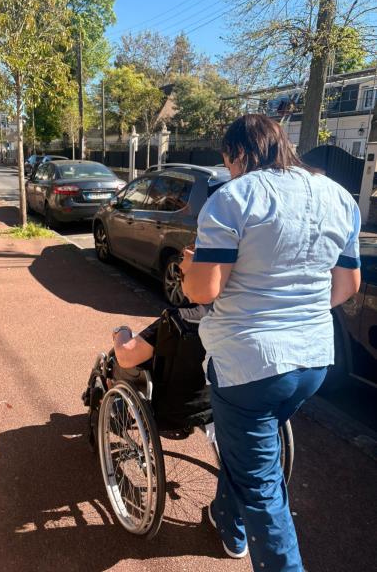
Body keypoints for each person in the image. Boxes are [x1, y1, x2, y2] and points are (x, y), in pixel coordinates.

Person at [179, 114, 361, 572]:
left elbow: (204, 291)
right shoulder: (338, 196)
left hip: (248, 364)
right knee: (249, 452)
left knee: (262, 488)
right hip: (313, 360)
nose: (229, 169)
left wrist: (188, 270)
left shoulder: (233, 198)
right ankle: (228, 522)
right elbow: (347, 286)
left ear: (239, 154)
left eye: (228, 161)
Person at [111, 304, 211, 368]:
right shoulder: (217, 316)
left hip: (167, 391)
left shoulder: (175, 319)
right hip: (208, 391)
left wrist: (121, 330)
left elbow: (126, 356)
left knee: (114, 358)